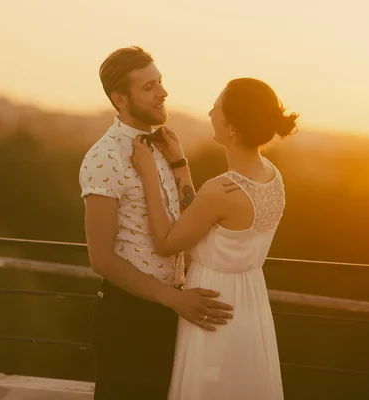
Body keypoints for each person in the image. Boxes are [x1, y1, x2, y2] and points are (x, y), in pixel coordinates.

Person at [79, 46, 234, 400]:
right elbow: (101, 259)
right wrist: (173, 300)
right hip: (129, 317)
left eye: (160, 82)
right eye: (148, 87)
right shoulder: (104, 158)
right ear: (120, 99)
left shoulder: (164, 146)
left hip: (173, 311)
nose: (163, 92)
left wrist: (180, 166)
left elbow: (191, 221)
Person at [131, 77, 298, 399]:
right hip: (249, 302)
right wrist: (179, 164)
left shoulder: (220, 190)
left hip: (211, 305)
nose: (209, 112)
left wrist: (150, 175)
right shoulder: (271, 176)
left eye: (216, 109)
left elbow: (166, 243)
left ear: (233, 128)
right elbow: (200, 216)